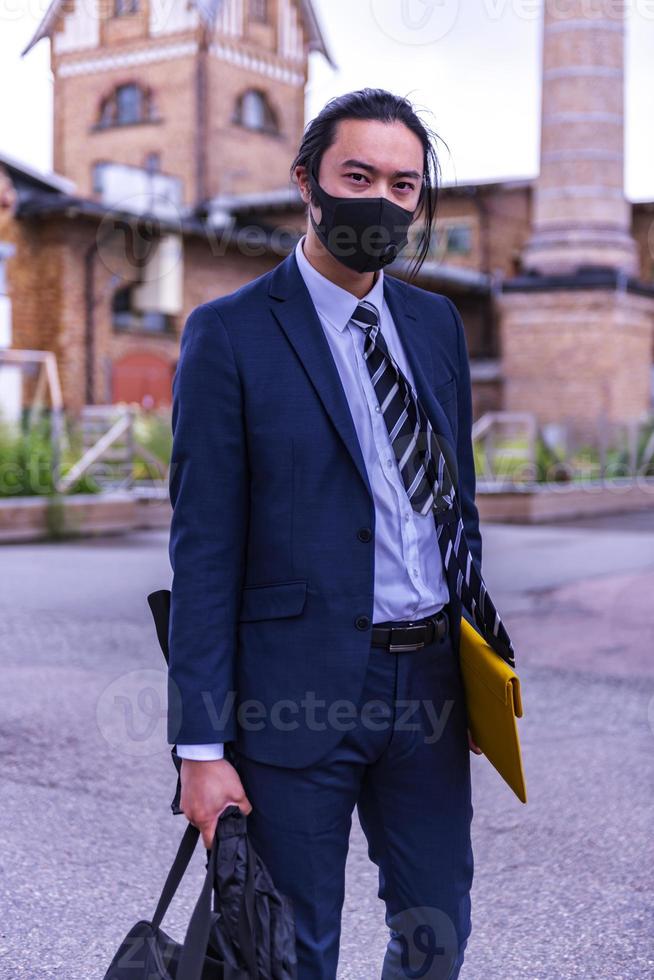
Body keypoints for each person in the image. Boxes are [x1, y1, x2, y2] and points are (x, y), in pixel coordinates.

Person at [167, 87, 514, 980]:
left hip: (432, 682)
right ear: (308, 184)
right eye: (358, 175)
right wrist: (200, 750)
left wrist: (483, 662)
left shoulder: (435, 327)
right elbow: (204, 548)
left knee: (438, 932)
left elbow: (455, 511)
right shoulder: (230, 334)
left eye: (404, 185)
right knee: (291, 951)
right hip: (296, 691)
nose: (382, 200)